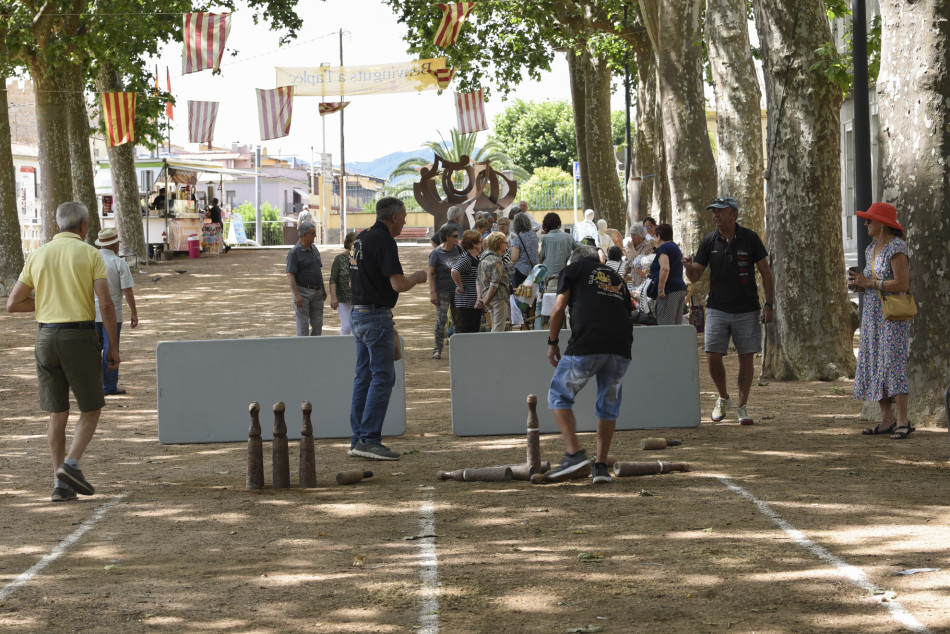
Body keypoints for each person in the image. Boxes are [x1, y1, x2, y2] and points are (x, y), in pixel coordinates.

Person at [6, 201, 120, 503]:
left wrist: (43, 302)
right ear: (83, 226)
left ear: (59, 224)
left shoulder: (38, 254)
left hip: (45, 338)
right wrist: (113, 346)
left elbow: (13, 303)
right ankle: (71, 465)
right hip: (78, 337)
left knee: (57, 413)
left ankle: (60, 484)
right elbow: (106, 304)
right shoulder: (90, 254)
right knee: (92, 407)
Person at [544, 245, 633, 484]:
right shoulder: (615, 276)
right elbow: (629, 310)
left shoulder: (572, 270)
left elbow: (558, 309)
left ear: (573, 261)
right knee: (608, 404)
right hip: (620, 346)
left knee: (558, 395)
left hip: (588, 342)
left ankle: (574, 455)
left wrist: (552, 342)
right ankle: (601, 467)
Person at [683, 196, 774, 425]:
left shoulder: (750, 238)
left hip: (747, 308)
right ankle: (723, 397)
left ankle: (742, 407)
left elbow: (766, 272)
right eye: (713, 211)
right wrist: (688, 268)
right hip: (717, 308)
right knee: (713, 356)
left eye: (719, 211)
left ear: (733, 214)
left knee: (746, 357)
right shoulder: (709, 241)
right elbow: (696, 276)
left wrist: (769, 304)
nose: (715, 215)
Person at [348, 197, 427, 460]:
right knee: (383, 377)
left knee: (364, 377)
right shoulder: (384, 240)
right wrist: (417, 277)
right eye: (404, 216)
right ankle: (369, 439)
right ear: (394, 216)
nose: (405, 220)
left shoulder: (361, 237)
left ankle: (358, 438)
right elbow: (398, 285)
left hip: (357, 314)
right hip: (374, 315)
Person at [848, 202, 914, 439]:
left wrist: (870, 283)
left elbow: (902, 284)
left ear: (882, 225)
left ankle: (904, 421)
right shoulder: (871, 249)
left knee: (893, 363)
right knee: (875, 361)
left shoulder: (897, 248)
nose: (865, 223)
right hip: (873, 315)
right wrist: (861, 284)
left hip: (892, 317)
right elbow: (872, 282)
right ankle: (887, 419)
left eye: (869, 220)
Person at [93, 228, 138, 395]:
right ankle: (109, 385)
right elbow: (127, 290)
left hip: (91, 312)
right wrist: (134, 312)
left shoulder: (91, 260)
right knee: (111, 346)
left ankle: (93, 385)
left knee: (92, 349)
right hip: (113, 314)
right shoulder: (118, 263)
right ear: (114, 244)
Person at [427, 226, 463, 359]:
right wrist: (432, 292)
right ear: (447, 237)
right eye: (454, 236)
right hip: (442, 291)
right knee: (441, 319)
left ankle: (458, 347)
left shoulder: (458, 249)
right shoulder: (436, 253)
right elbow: (430, 274)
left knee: (458, 319)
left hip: (457, 291)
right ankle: (437, 349)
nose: (457, 238)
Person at [286, 221, 326, 336]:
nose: (315, 235)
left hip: (317, 292)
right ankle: (303, 351)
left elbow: (318, 270)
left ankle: (315, 349)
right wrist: (296, 294)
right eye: (313, 233)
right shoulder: (294, 252)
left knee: (318, 323)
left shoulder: (314, 248)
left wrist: (322, 289)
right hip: (302, 292)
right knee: (303, 324)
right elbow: (290, 274)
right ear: (304, 235)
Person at [649, 223, 688, 325]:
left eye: (656, 237)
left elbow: (665, 268)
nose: (656, 240)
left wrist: (661, 289)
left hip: (668, 290)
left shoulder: (664, 248)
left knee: (665, 326)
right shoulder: (675, 247)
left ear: (659, 236)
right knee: (676, 325)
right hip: (680, 289)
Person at [450, 230, 485, 333]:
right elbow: (454, 271)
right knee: (467, 331)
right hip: (466, 304)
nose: (481, 244)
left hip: (473, 303)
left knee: (474, 330)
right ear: (474, 244)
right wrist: (460, 286)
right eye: (480, 241)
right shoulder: (467, 258)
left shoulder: (475, 258)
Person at [478, 231, 511, 332]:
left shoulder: (483, 257)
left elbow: (478, 279)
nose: (507, 245)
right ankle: (493, 347)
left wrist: (483, 298)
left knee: (495, 325)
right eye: (505, 243)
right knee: (498, 328)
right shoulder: (497, 260)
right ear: (500, 244)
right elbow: (495, 283)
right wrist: (486, 299)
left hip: (487, 296)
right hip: (498, 297)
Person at [329, 231, 357, 336]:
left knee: (357, 326)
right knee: (346, 326)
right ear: (349, 244)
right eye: (355, 242)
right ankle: (342, 348)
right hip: (343, 298)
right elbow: (333, 279)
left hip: (358, 297)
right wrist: (333, 297)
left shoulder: (360, 257)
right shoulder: (339, 259)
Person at [509, 212, 540, 287]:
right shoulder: (534, 234)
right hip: (534, 270)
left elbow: (514, 258)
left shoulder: (517, 238)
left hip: (521, 271)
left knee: (521, 295)